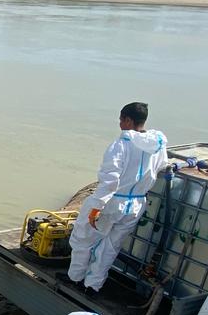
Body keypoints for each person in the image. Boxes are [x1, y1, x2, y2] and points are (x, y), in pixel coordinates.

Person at [65, 102, 167, 294]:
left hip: (112, 202)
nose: (119, 123)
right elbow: (161, 167)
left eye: (121, 119)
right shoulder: (158, 145)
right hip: (137, 203)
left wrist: (96, 207)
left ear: (128, 120)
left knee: (83, 240)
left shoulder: (120, 146)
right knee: (111, 247)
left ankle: (75, 278)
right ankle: (93, 286)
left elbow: (109, 180)